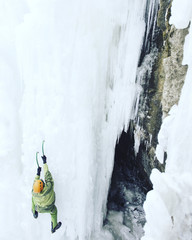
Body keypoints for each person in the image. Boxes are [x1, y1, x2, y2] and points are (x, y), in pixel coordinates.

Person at [32, 154, 62, 233]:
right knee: (54, 211)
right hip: (50, 207)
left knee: (32, 198)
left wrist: (37, 173)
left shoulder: (34, 192)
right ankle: (54, 226)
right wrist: (44, 162)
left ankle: (34, 211)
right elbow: (47, 175)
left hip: (39, 209)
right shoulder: (48, 188)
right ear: (43, 186)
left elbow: (35, 184)